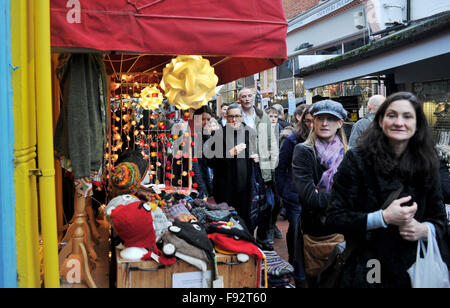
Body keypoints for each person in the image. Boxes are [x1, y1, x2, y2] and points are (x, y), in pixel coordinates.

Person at [326, 92, 449, 288]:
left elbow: (440, 220)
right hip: (369, 266)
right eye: (392, 115)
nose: (399, 122)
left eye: (407, 116)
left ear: (417, 123)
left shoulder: (428, 162)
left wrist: (425, 229)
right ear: (381, 120)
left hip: (414, 268)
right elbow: (334, 217)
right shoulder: (357, 160)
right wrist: (382, 217)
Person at [292, 99, 349, 286]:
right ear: (312, 122)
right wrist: (343, 199)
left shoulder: (349, 153)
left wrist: (322, 195)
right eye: (320, 118)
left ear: (340, 123)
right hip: (316, 234)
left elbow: (358, 196)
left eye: (331, 119)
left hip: (346, 232)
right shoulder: (303, 151)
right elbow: (309, 198)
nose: (325, 123)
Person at [275, 104, 312, 287]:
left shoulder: (327, 140)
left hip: (316, 197)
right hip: (295, 195)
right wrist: (283, 192)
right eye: (309, 120)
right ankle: (298, 272)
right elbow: (281, 168)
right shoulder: (292, 140)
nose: (313, 124)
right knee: (297, 231)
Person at [205, 104, 259, 229]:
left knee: (246, 222)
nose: (234, 120)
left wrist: (257, 158)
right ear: (226, 117)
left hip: (246, 187)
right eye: (231, 117)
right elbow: (210, 162)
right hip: (226, 189)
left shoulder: (250, 133)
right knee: (227, 224)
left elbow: (259, 152)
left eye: (237, 116)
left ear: (242, 117)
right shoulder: (218, 134)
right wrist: (229, 154)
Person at [238, 88, 278, 248]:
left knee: (269, 202)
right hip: (243, 166)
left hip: (262, 165)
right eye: (243, 96)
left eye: (249, 96)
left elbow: (271, 141)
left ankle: (263, 235)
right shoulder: (236, 116)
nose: (247, 99)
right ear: (239, 99)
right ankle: (248, 236)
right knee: (247, 203)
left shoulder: (263, 116)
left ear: (254, 97)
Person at [192, 106, 217, 197]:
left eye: (208, 119)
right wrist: (203, 190)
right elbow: (196, 168)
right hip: (200, 186)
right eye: (202, 119)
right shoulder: (193, 137)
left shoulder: (213, 135)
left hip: (213, 184)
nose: (206, 122)